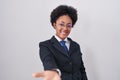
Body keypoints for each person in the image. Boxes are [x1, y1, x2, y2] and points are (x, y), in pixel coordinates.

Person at [32, 5, 88, 80]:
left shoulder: (76, 46)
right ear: (54, 24)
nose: (65, 28)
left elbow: (82, 70)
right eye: (61, 24)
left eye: (69, 25)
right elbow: (48, 61)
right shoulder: (45, 46)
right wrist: (54, 71)